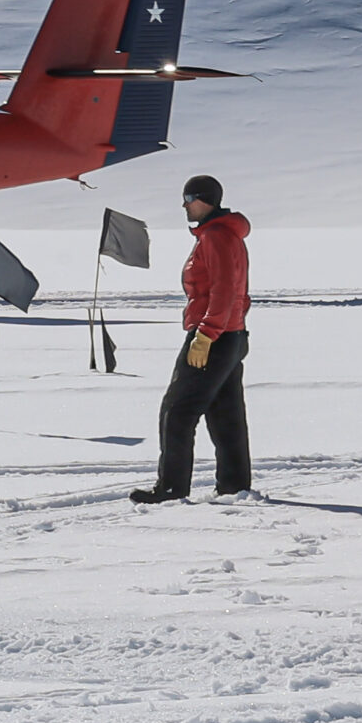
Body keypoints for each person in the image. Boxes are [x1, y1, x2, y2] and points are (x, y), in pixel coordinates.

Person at [131, 174, 251, 503]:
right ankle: (235, 485)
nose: (183, 204)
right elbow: (239, 292)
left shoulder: (215, 236)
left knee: (177, 411)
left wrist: (206, 335)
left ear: (205, 199)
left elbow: (224, 291)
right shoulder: (226, 234)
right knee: (225, 413)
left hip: (213, 337)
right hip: (231, 334)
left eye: (188, 197)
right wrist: (233, 330)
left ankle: (171, 489)